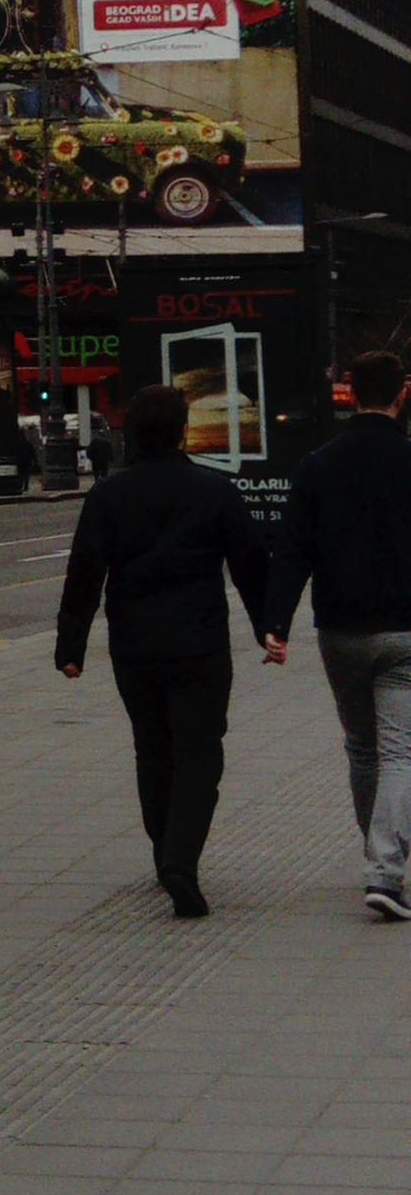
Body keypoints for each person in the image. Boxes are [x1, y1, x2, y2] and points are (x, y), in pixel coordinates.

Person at [55, 381, 267, 917]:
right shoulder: (215, 490)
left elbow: (85, 572)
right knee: (199, 752)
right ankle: (180, 859)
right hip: (200, 646)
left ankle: (163, 853)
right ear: (184, 433)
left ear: (131, 433)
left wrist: (70, 645)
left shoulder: (108, 495)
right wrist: (270, 626)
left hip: (135, 647)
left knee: (152, 750)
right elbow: (250, 564)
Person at [261, 346, 411, 919]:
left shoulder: (318, 464)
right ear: (402, 394)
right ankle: (385, 871)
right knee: (400, 751)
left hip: (340, 628)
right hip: (404, 628)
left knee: (363, 749)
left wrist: (275, 623)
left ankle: (377, 858)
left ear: (349, 393)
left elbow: (292, 549)